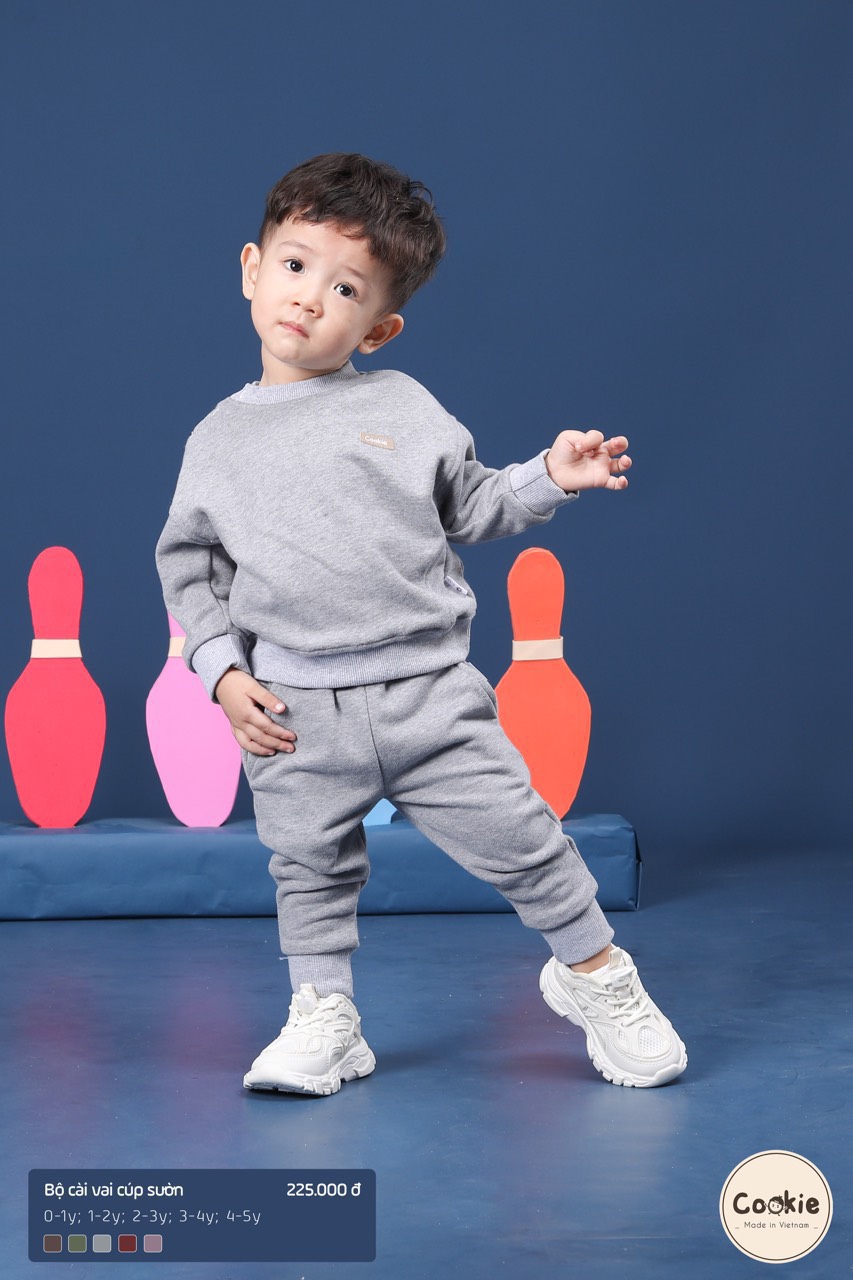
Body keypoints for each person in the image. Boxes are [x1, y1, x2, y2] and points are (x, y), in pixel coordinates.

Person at [155, 152, 687, 1095]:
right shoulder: (215, 440)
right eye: (295, 266)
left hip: (428, 695)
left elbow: (472, 504)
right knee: (307, 868)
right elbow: (191, 570)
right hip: (294, 707)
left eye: (344, 287)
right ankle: (324, 1015)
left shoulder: (400, 405)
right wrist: (223, 675)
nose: (308, 297)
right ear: (251, 268)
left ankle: (596, 974)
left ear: (378, 326)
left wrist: (548, 477)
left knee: (524, 837)